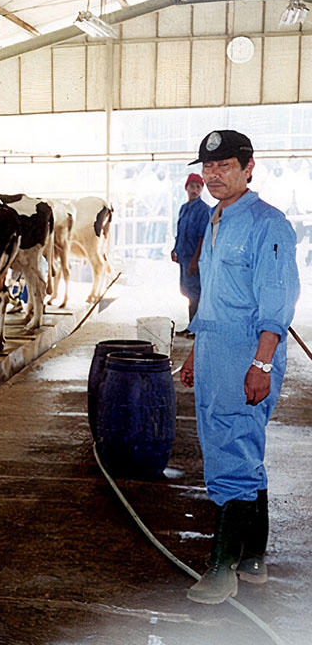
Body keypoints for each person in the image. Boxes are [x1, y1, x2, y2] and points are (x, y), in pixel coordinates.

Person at [180, 130, 300, 605]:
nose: (213, 175)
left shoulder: (268, 224)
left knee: (232, 451)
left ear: (249, 168)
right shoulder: (215, 217)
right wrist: (195, 350)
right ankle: (253, 559)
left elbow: (278, 300)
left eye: (225, 166)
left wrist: (262, 364)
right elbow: (211, 295)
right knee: (239, 448)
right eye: (208, 167)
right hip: (214, 349)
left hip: (248, 353)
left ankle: (222, 568)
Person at [172, 173, 211, 335]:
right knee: (187, 291)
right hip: (184, 256)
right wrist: (175, 249)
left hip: (195, 257)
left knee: (196, 292)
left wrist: (196, 261)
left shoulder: (204, 210)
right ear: (186, 187)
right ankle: (191, 326)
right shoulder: (183, 208)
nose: (194, 190)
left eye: (198, 187)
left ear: (202, 189)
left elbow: (202, 237)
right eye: (191, 186)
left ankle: (197, 328)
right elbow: (180, 232)